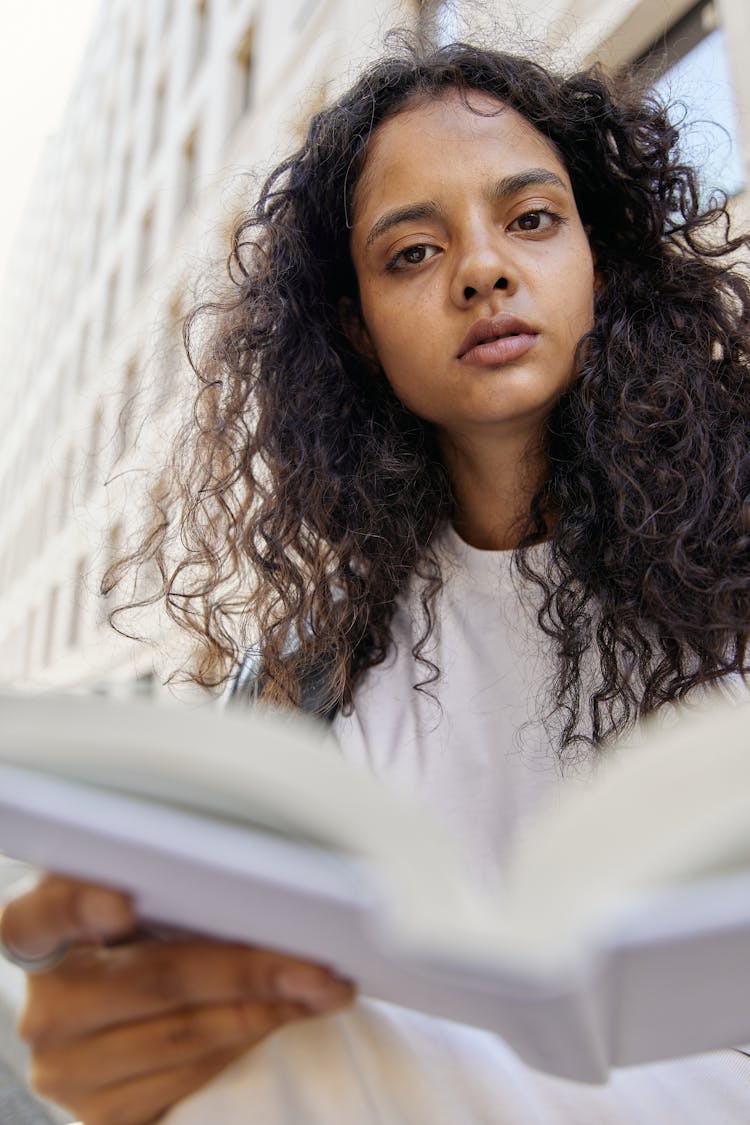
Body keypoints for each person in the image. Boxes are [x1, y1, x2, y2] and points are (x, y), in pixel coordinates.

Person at [2, 39, 750, 1125]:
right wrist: (144, 1043)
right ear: (356, 327)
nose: (483, 270)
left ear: (602, 257)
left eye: (532, 219)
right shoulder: (306, 676)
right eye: (410, 253)